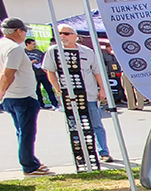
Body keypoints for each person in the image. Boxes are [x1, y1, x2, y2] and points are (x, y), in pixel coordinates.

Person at [43, 25, 113, 162]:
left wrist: (102, 89)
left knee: (96, 124)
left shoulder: (87, 52)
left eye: (66, 33)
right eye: (59, 34)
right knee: (75, 126)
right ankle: (81, 152)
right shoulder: (53, 51)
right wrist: (58, 89)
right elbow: (49, 71)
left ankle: (103, 152)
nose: (62, 36)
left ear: (75, 36)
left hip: (90, 94)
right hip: (69, 95)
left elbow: (97, 71)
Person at [0, 17, 52, 176]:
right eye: (24, 30)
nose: (25, 34)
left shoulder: (3, 44)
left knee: (22, 131)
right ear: (18, 31)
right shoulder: (13, 48)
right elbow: (8, 74)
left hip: (13, 96)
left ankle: (30, 160)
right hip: (21, 96)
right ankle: (29, 165)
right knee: (26, 132)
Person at [24, 38, 58, 109]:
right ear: (27, 44)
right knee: (37, 90)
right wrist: (31, 62)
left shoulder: (38, 52)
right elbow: (22, 64)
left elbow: (44, 60)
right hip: (33, 74)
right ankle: (40, 104)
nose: (35, 45)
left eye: (35, 44)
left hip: (42, 73)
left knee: (49, 89)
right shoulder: (24, 53)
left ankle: (55, 104)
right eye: (33, 44)